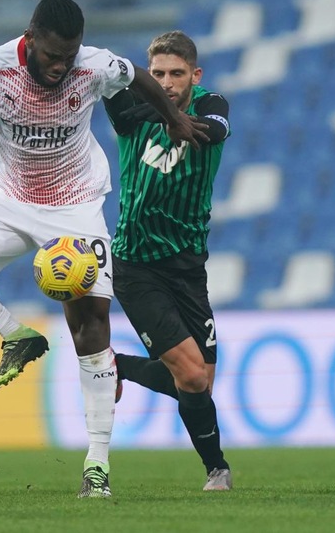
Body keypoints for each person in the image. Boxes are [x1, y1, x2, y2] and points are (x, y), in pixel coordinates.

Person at [0, 0, 209, 498]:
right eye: (51, 55)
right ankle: (16, 336)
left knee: (91, 329)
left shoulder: (91, 65)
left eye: (70, 56)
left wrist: (175, 120)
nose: (61, 67)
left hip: (76, 207)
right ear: (30, 40)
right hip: (12, 199)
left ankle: (97, 465)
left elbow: (136, 74)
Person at [102, 30, 233, 491]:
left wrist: (175, 117)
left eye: (176, 74)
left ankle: (116, 366)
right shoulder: (126, 105)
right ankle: (218, 470)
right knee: (192, 373)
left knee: (200, 383)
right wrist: (166, 113)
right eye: (157, 73)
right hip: (136, 263)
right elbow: (120, 109)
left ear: (194, 75)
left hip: (188, 264)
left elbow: (215, 129)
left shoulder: (212, 102)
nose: (166, 81)